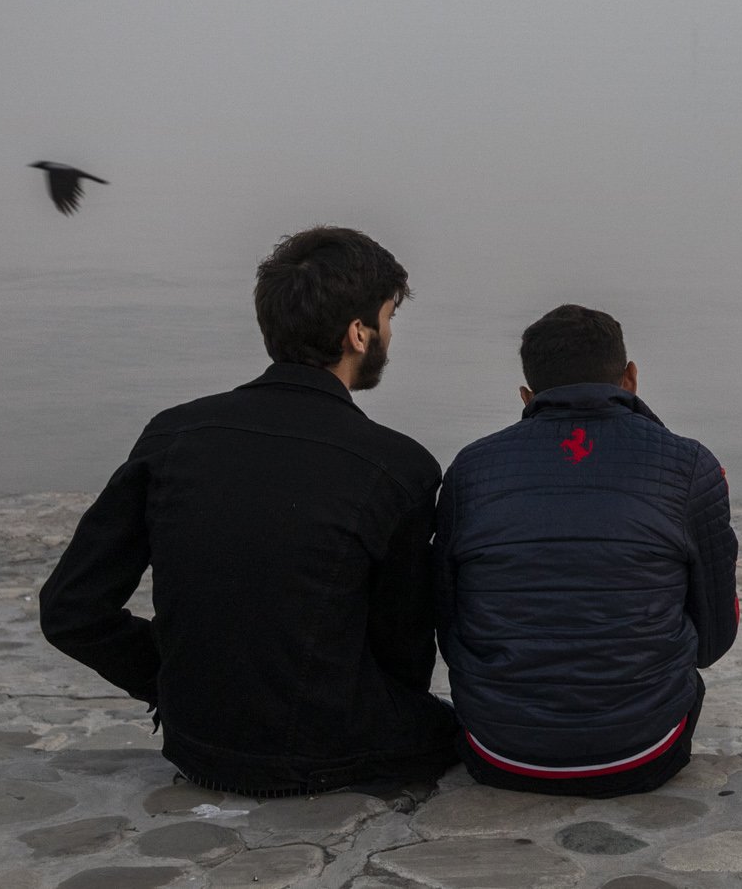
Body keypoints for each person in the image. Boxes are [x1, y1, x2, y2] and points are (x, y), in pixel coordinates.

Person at [39, 228, 457, 796]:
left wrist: (169, 681)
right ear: (358, 333)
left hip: (197, 743)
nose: (388, 333)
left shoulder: (173, 433)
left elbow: (71, 609)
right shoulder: (400, 467)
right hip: (334, 752)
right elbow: (403, 656)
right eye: (387, 318)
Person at [436, 304, 739, 795]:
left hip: (499, 752)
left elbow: (448, 622)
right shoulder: (689, 466)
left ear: (527, 395)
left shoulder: (472, 468)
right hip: (643, 754)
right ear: (631, 378)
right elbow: (713, 639)